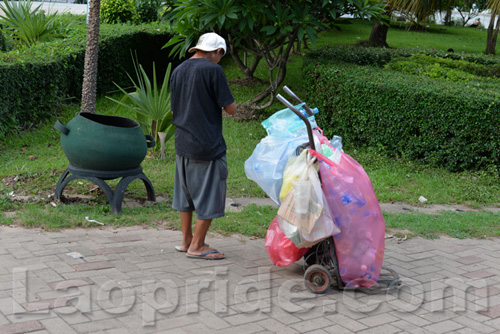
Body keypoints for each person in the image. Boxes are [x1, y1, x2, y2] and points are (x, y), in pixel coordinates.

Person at [169, 32, 237, 260]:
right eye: (221, 55)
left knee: (185, 196)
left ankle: (186, 240)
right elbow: (230, 108)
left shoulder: (179, 70)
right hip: (207, 145)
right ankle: (197, 246)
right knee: (209, 194)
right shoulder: (213, 70)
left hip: (182, 143)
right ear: (217, 51)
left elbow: (173, 109)